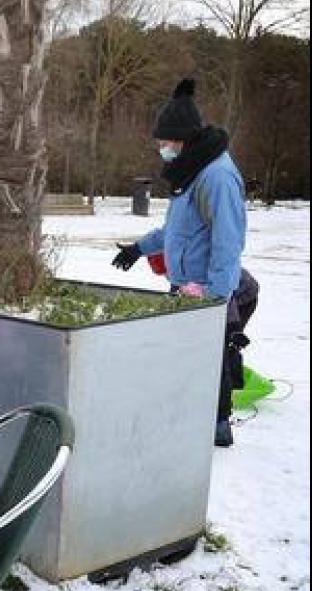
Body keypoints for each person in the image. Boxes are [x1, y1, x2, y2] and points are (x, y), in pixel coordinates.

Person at [111, 78, 258, 448]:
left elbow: (229, 242)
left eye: (165, 143)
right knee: (187, 357)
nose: (162, 150)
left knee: (213, 355)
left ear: (184, 140)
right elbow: (176, 230)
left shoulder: (218, 176)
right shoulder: (191, 172)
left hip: (206, 290)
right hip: (185, 287)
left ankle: (218, 425)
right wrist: (138, 249)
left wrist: (214, 295)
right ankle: (186, 414)